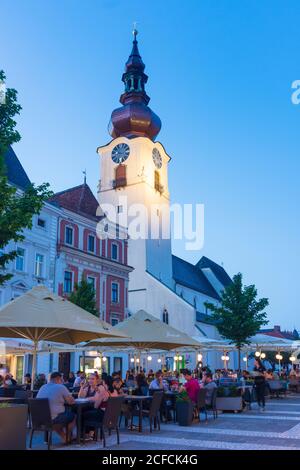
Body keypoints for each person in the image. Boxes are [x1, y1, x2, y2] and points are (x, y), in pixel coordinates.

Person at [37, 372, 76, 442]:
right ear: (58, 379)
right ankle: (67, 436)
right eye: (61, 380)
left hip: (40, 419)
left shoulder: (42, 387)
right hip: (53, 419)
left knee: (58, 415)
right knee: (73, 415)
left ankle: (64, 437)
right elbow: (71, 402)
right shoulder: (61, 387)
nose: (62, 381)